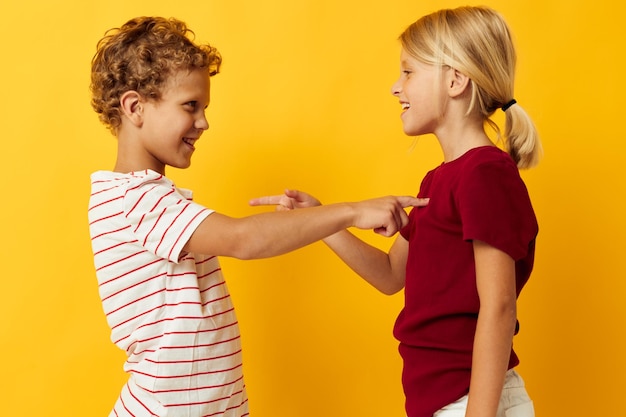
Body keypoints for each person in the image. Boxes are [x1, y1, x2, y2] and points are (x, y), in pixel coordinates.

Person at [87, 16, 426, 417]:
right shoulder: (136, 200)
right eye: (190, 106)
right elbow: (243, 239)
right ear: (134, 107)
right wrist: (351, 211)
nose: (204, 122)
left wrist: (317, 217)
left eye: (205, 107)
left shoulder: (150, 197)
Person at [250, 6, 541, 417]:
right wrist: (322, 219)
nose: (395, 86)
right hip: (443, 401)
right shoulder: (437, 181)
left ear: (455, 80)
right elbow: (390, 277)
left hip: (476, 403)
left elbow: (499, 307)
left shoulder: (484, 174)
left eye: (408, 72)